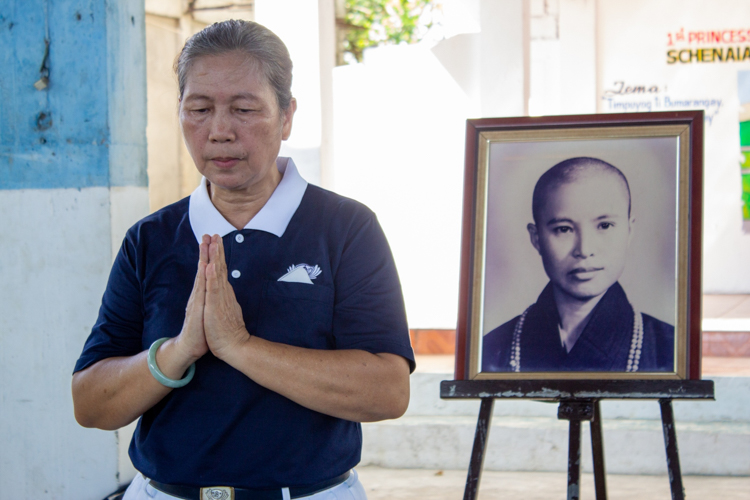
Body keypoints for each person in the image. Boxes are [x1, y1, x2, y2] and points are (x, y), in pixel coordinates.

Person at [72, 20, 414, 500]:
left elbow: (387, 392)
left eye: (244, 109)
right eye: (199, 109)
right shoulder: (149, 239)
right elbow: (91, 406)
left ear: (287, 115)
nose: (219, 132)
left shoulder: (345, 228)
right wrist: (179, 350)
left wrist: (239, 346)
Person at [482, 157, 674, 373]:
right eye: (563, 229)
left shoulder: (669, 348)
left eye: (604, 225)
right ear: (536, 238)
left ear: (629, 231)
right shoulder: (491, 349)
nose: (584, 250)